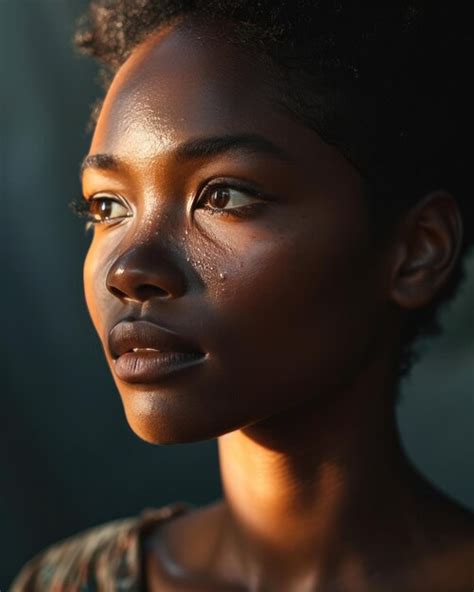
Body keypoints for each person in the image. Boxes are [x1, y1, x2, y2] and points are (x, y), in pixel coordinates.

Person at [11, 1, 474, 591]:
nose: (129, 269)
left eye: (223, 197)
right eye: (107, 207)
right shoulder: (64, 583)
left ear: (418, 251)